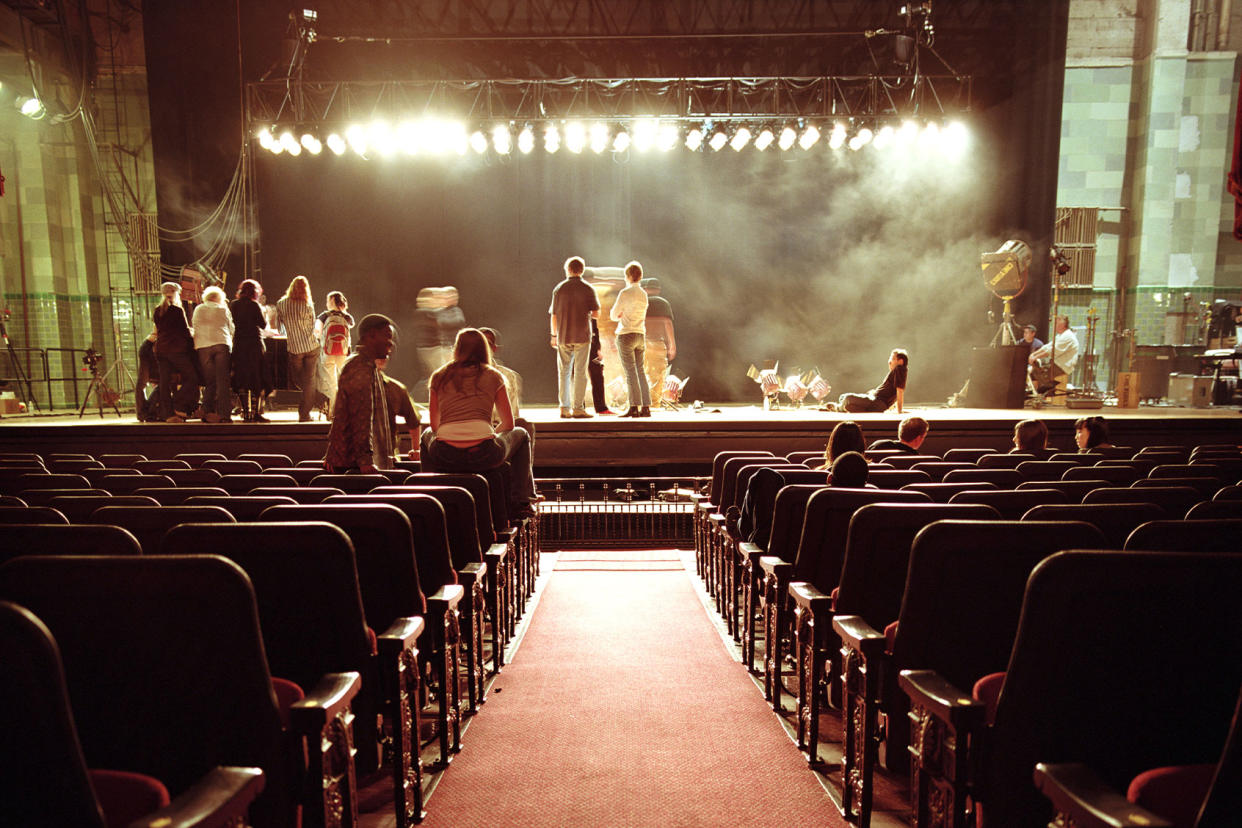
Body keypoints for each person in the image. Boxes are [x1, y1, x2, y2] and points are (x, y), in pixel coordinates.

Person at [420, 328, 538, 517]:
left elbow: (435, 426)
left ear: (457, 348)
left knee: (425, 434)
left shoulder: (439, 376)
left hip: (445, 454)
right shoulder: (494, 376)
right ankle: (521, 501)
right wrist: (491, 434)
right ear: (485, 349)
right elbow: (508, 423)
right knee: (522, 434)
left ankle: (429, 494)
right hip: (485, 453)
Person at [323, 314, 397, 473]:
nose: (391, 343)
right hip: (353, 466)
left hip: (351, 462)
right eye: (387, 336)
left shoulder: (364, 365)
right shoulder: (360, 368)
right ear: (371, 335)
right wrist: (365, 461)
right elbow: (360, 416)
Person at [549, 256, 600, 418]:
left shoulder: (559, 289)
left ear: (567, 270)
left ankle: (564, 408)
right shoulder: (588, 288)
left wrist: (553, 335)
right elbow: (597, 313)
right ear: (582, 270)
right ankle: (578, 408)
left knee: (563, 372)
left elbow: (554, 315)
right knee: (580, 372)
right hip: (583, 336)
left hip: (563, 336)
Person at [478, 326, 535, 445]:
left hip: (501, 430)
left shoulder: (508, 376)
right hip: (477, 431)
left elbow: (513, 415)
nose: (483, 348)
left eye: (486, 343)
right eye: (480, 343)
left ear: (494, 348)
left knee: (523, 424)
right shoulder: (463, 375)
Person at [152, 281, 199, 423]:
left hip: (160, 350)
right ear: (176, 294)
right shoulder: (177, 310)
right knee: (192, 377)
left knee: (165, 382)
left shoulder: (157, 310)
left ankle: (167, 414)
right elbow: (184, 331)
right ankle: (177, 404)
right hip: (176, 350)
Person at [610, 261, 652, 418]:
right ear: (640, 276)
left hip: (626, 334)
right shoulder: (644, 294)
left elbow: (613, 315)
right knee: (640, 371)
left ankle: (634, 407)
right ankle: (646, 407)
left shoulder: (625, 293)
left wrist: (620, 314)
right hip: (640, 334)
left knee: (630, 372)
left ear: (627, 276)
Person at [275, 274, 318, 422]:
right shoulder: (307, 304)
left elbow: (280, 329)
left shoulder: (281, 304)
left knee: (299, 381)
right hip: (312, 346)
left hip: (294, 348)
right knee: (309, 381)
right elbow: (312, 327)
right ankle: (304, 414)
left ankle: (304, 410)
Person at [230, 279, 273, 423]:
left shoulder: (234, 305)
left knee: (242, 378)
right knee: (257, 378)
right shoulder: (254, 305)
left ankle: (244, 410)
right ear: (255, 292)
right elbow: (263, 324)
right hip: (254, 344)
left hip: (239, 344)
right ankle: (255, 412)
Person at [191, 285, 234, 423]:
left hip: (203, 346)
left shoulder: (198, 308)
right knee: (223, 381)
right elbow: (231, 328)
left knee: (210, 381)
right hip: (221, 343)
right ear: (218, 298)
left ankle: (206, 410)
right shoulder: (223, 309)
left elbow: (194, 325)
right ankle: (224, 414)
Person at [316, 290, 354, 411]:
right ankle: (346, 407)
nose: (326, 303)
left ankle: (334, 410)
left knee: (331, 383)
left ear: (331, 301)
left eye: (328, 300)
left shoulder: (324, 316)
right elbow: (350, 327)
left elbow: (317, 332)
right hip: (343, 352)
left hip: (327, 352)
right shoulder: (347, 317)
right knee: (344, 380)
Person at [376, 357, 420, 461]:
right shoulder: (395, 388)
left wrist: (416, 449)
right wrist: (416, 449)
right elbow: (414, 422)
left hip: (387, 457)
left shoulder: (395, 389)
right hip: (386, 458)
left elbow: (413, 421)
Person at [839, 349, 908, 414]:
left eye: (892, 359)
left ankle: (839, 408)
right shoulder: (895, 372)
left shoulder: (900, 369)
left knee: (847, 398)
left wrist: (899, 411)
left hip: (877, 402)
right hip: (874, 400)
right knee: (843, 397)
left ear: (900, 361)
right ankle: (853, 408)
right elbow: (894, 392)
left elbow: (899, 390)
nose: (889, 362)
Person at [641, 277, 676, 407]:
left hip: (640, 342)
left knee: (641, 374)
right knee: (658, 376)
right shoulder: (663, 303)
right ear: (659, 290)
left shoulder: (640, 302)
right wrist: (672, 345)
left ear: (644, 289)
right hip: (657, 344)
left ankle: (641, 403)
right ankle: (654, 405)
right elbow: (667, 324)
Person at [1029, 315, 1079, 403]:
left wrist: (1035, 357)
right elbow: (1047, 346)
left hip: (1062, 366)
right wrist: (1034, 354)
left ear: (1063, 325)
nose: (1054, 325)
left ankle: (1043, 393)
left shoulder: (1067, 336)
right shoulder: (1060, 335)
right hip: (1056, 362)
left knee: (1038, 370)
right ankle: (1037, 394)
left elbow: (1052, 350)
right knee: (1034, 369)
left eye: (1056, 323)